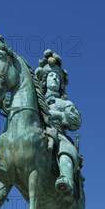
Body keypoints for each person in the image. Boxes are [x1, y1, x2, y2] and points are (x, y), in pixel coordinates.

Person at [36, 50, 82, 194]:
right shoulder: (35, 101)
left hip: (59, 135)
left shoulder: (65, 103)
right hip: (37, 133)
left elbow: (76, 121)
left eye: (57, 77)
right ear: (45, 80)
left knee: (64, 150)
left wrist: (58, 114)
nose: (54, 79)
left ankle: (66, 178)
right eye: (51, 76)